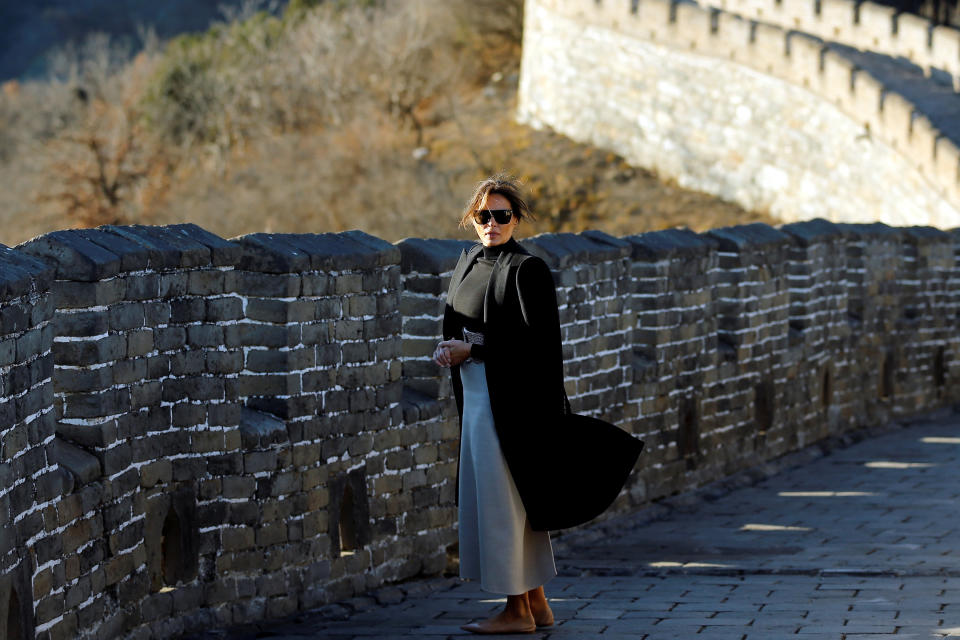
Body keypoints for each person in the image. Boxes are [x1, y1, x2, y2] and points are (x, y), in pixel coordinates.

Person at [433, 174, 561, 634]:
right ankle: (538, 605)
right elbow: (460, 324)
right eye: (484, 215)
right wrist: (449, 348)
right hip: (475, 392)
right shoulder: (467, 263)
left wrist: (477, 352)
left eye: (502, 215)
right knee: (504, 499)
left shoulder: (528, 270)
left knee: (503, 502)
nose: (492, 223)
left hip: (511, 399)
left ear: (516, 218)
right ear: (472, 218)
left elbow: (540, 346)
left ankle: (515, 611)